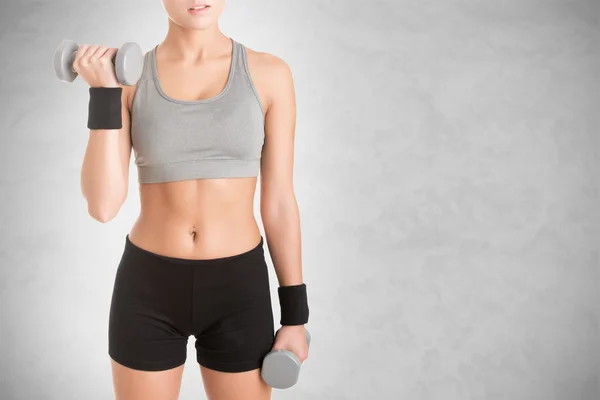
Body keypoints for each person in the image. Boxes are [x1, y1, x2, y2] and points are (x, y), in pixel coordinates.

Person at [73, 1, 309, 399]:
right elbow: (103, 205)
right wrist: (102, 94)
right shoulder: (128, 80)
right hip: (147, 289)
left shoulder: (270, 74)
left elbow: (280, 202)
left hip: (238, 289)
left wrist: (295, 316)